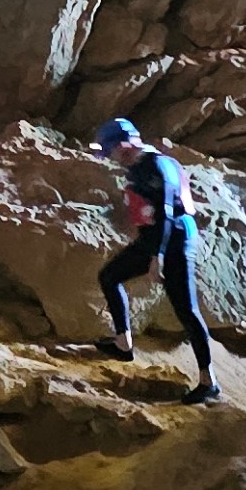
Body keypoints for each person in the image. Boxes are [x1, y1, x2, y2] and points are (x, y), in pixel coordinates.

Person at [90, 119, 219, 399]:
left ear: (123, 145)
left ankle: (209, 383)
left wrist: (157, 255)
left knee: (186, 309)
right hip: (155, 238)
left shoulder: (157, 165)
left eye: (110, 151)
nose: (111, 157)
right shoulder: (140, 167)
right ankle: (123, 344)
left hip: (175, 239)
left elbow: (167, 212)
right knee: (110, 276)